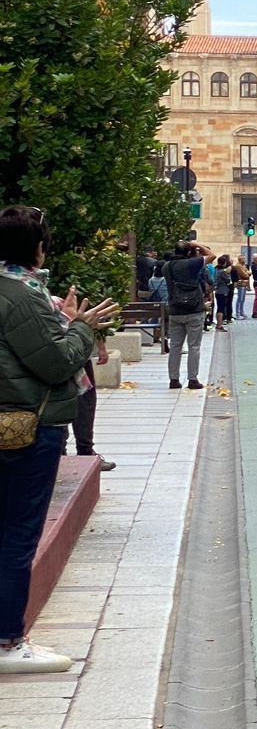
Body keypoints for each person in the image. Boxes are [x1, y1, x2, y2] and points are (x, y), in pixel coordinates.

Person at [0, 204, 119, 674]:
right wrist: (83, 328)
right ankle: (9, 641)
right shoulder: (22, 293)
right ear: (37, 248)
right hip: (28, 426)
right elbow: (54, 363)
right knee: (18, 533)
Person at [51, 290, 113, 473]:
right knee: (60, 403)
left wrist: (100, 346)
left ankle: (85, 450)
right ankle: (61, 453)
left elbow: (90, 318)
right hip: (59, 352)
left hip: (77, 351)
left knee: (85, 402)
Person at [162, 241, 209, 390]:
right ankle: (192, 379)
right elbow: (211, 255)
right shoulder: (192, 264)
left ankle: (174, 379)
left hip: (175, 310)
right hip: (194, 310)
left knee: (175, 346)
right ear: (189, 252)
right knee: (194, 346)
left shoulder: (166, 267)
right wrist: (196, 245)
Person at [213, 255, 236, 328]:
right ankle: (219, 324)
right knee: (221, 308)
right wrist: (228, 273)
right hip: (223, 291)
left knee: (219, 307)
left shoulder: (216, 270)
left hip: (217, 291)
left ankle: (218, 323)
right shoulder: (223, 272)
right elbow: (229, 280)